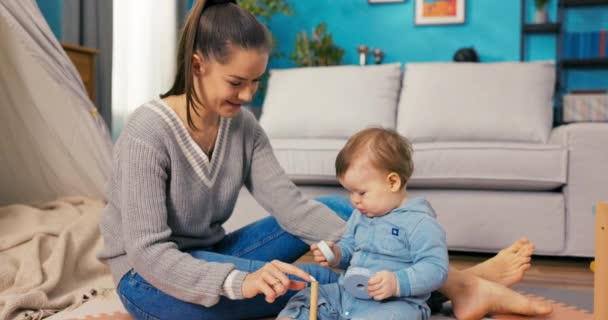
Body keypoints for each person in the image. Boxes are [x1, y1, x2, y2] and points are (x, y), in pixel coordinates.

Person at [97, 0, 553, 319]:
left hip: (211, 253)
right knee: (309, 285)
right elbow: (149, 253)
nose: (249, 95)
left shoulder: (244, 126)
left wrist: (242, 269)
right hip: (149, 281)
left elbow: (293, 210)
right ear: (197, 66)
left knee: (339, 212)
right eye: (237, 82)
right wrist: (239, 281)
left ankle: (454, 284)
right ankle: (455, 285)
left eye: (257, 82)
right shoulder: (147, 132)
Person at [278, 128, 449, 320]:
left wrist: (396, 282)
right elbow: (350, 249)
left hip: (394, 303)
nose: (354, 200)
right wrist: (336, 255)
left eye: (361, 192)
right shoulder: (360, 216)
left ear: (392, 182)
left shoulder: (420, 223)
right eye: (350, 192)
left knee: (398, 316)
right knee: (306, 297)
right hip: (347, 294)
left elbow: (436, 268)